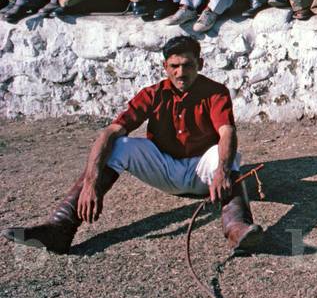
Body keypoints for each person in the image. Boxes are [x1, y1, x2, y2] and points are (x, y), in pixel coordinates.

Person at [2, 36, 262, 255]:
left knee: (228, 154)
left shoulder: (215, 91)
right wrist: (91, 183)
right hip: (165, 168)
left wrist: (223, 172)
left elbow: (227, 131)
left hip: (204, 174)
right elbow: (110, 132)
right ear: (165, 67)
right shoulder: (153, 93)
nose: (180, 73)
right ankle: (60, 227)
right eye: (174, 66)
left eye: (187, 65)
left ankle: (236, 229)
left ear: (200, 64)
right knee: (120, 144)